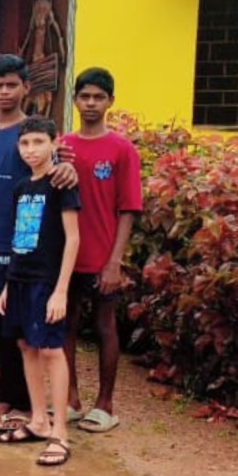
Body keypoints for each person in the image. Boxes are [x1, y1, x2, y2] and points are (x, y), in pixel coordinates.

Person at [0, 54, 79, 431]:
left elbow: (61, 169)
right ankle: (5, 398)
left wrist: (68, 167)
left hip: (27, 252)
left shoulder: (34, 133)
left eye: (12, 84)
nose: (5, 92)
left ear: (26, 87)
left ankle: (29, 407)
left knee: (29, 335)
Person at [0, 116, 81, 466]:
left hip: (46, 281)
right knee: (26, 346)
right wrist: (8, 284)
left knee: (50, 349)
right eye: (25, 143)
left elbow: (73, 238)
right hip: (19, 278)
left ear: (54, 142)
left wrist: (61, 290)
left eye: (38, 142)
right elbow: (18, 237)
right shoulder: (21, 187)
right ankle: (38, 419)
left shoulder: (61, 184)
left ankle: (60, 431)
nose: (31, 150)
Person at [61, 67, 142, 434]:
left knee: (104, 325)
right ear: (75, 100)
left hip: (103, 255)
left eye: (98, 97)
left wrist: (114, 262)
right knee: (65, 324)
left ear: (110, 101)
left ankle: (105, 404)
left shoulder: (122, 150)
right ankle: (70, 398)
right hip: (67, 256)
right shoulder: (62, 146)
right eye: (85, 96)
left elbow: (128, 209)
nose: (91, 103)